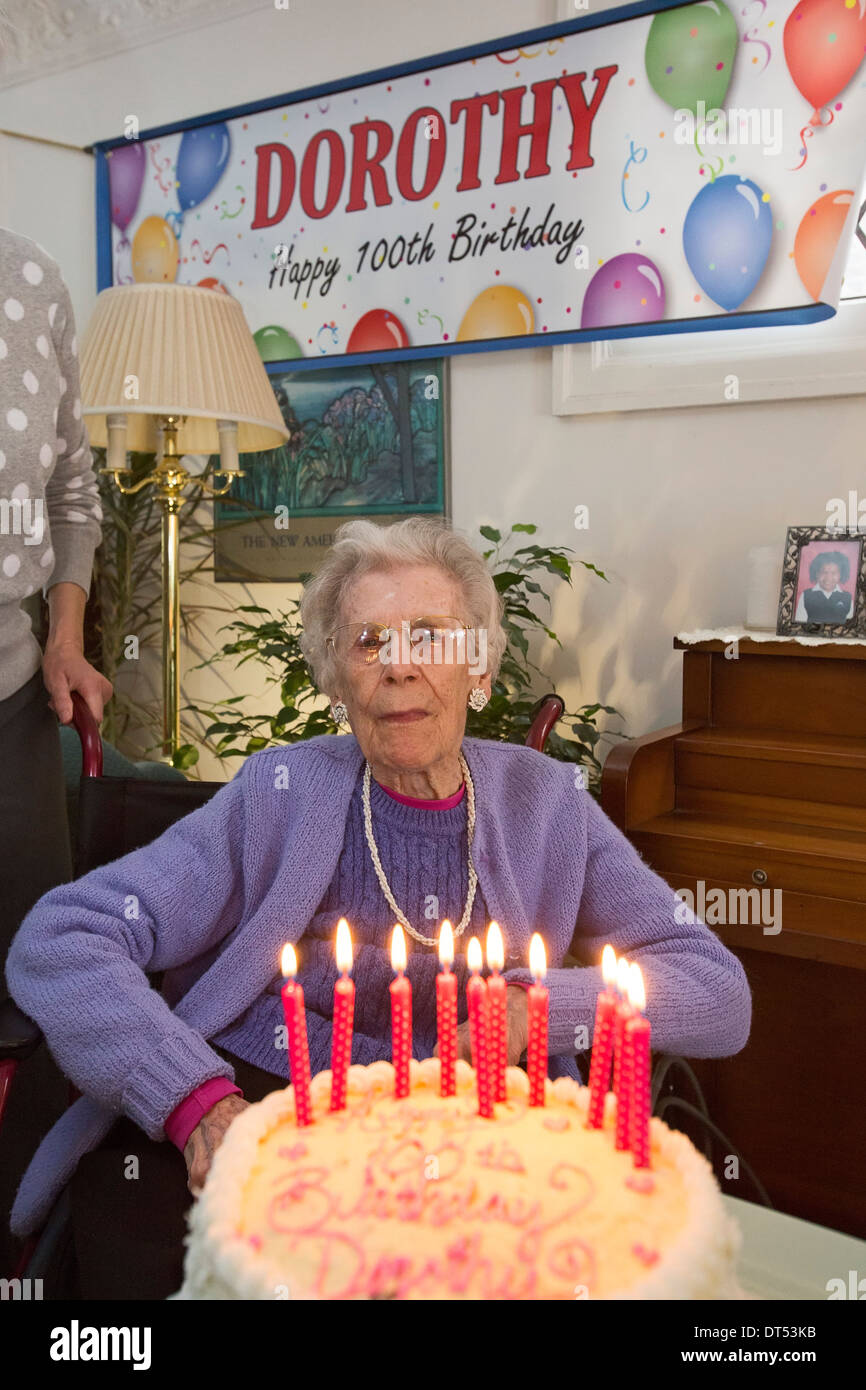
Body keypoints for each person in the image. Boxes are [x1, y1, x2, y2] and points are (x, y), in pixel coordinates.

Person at [5, 516, 752, 1298]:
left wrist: (538, 1011)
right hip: (266, 1105)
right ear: (336, 679)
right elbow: (63, 937)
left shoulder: (547, 806)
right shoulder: (278, 795)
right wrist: (195, 1101)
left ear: (481, 667)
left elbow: (717, 991)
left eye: (430, 636)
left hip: (478, 1134)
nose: (398, 668)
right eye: (367, 643)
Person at [0, 227, 112, 1276]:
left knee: (31, 990)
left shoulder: (29, 279)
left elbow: (73, 488)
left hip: (12, 698)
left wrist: (67, 640)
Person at [794, 551, 854, 623]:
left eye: (833, 573)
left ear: (840, 575)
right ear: (817, 574)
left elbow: (849, 626)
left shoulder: (847, 598)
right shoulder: (806, 595)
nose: (828, 577)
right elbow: (799, 623)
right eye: (824, 572)